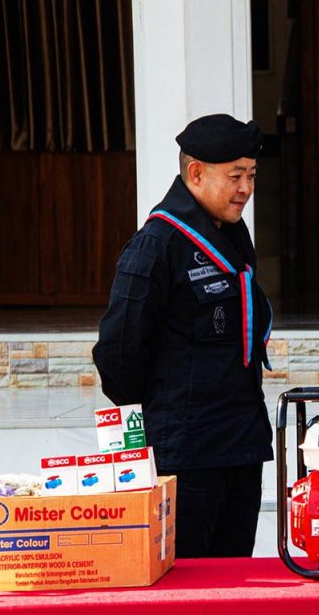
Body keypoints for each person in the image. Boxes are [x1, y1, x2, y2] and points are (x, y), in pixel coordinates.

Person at [93, 113, 274, 558]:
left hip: (241, 446)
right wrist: (168, 412)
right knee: (188, 580)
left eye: (251, 176)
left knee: (235, 578)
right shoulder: (157, 244)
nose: (245, 189)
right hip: (187, 456)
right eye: (235, 176)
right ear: (196, 173)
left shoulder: (232, 235)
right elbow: (117, 355)